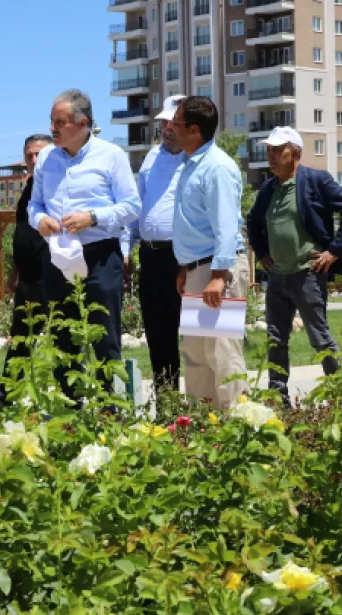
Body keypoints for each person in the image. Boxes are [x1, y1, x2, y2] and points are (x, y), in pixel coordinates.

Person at [28, 89, 140, 401]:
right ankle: (69, 409)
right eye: (51, 122)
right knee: (62, 334)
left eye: (60, 122)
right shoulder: (47, 158)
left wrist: (93, 217)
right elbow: (33, 205)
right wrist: (39, 221)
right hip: (59, 256)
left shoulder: (111, 156)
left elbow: (132, 207)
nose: (53, 129)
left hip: (100, 256)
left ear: (83, 123)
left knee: (104, 334)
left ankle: (109, 409)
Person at [246, 127, 342, 404]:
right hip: (277, 277)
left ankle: (340, 396)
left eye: (277, 150)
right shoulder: (269, 187)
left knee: (319, 337)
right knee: (275, 339)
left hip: (307, 275)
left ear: (294, 153)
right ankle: (278, 398)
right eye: (269, 150)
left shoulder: (315, 180)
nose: (271, 156)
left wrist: (334, 250)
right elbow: (252, 221)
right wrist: (262, 252)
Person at [170, 96, 250, 409]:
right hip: (198, 270)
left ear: (193, 130)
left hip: (218, 272)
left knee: (224, 353)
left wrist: (217, 276)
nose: (171, 128)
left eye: (176, 123)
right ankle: (204, 427)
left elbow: (226, 227)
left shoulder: (216, 168)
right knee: (197, 355)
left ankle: (238, 429)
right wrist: (186, 268)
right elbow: (195, 225)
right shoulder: (191, 165)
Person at [0, 134, 53, 413]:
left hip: (52, 276)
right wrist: (15, 271)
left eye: (39, 154)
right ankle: (5, 395)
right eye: (29, 155)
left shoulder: (56, 185)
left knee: (61, 339)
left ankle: (69, 398)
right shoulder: (30, 186)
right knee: (20, 338)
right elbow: (23, 233)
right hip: (28, 277)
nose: (33, 160)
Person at [124, 95, 187, 394]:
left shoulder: (200, 159)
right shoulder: (151, 157)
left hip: (188, 258)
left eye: (174, 123)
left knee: (202, 342)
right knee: (158, 337)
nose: (167, 128)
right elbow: (137, 208)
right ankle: (168, 407)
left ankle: (210, 413)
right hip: (152, 257)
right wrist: (126, 248)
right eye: (164, 122)